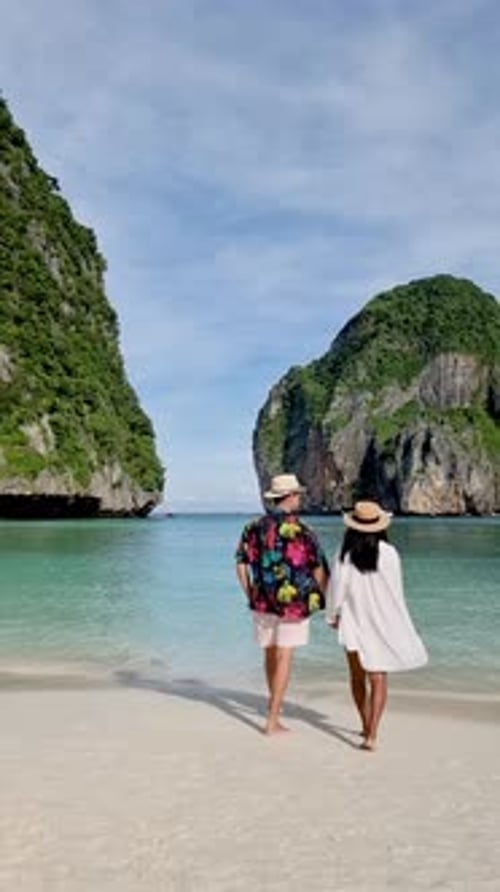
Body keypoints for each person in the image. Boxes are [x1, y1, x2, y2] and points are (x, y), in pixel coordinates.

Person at [326, 500, 428, 752]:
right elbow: (396, 591)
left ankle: (364, 724)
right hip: (382, 620)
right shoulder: (390, 553)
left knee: (357, 678)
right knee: (378, 678)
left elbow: (336, 589)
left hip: (354, 620)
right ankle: (372, 734)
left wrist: (332, 615)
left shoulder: (344, 553)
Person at [235, 473, 329, 735]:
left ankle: (273, 705)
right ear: (289, 497)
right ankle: (272, 719)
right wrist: (327, 598)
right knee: (285, 654)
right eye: (298, 494)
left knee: (269, 651)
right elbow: (319, 568)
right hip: (294, 603)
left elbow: (240, 563)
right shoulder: (304, 530)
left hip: (261, 601)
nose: (300, 498)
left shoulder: (252, 527)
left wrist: (249, 592)